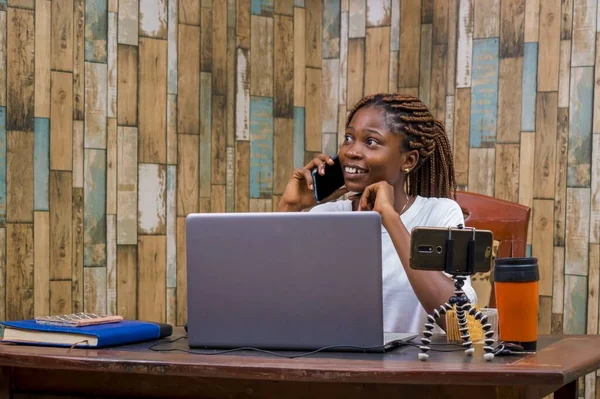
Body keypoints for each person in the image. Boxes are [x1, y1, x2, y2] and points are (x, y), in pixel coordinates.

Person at [276, 93, 477, 333]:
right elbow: (270, 299)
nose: (351, 151)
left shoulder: (438, 214)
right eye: (348, 138)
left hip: (416, 366)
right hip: (334, 363)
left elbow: (461, 323)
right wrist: (291, 207)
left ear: (409, 160)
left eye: (370, 142)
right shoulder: (325, 216)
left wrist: (389, 218)